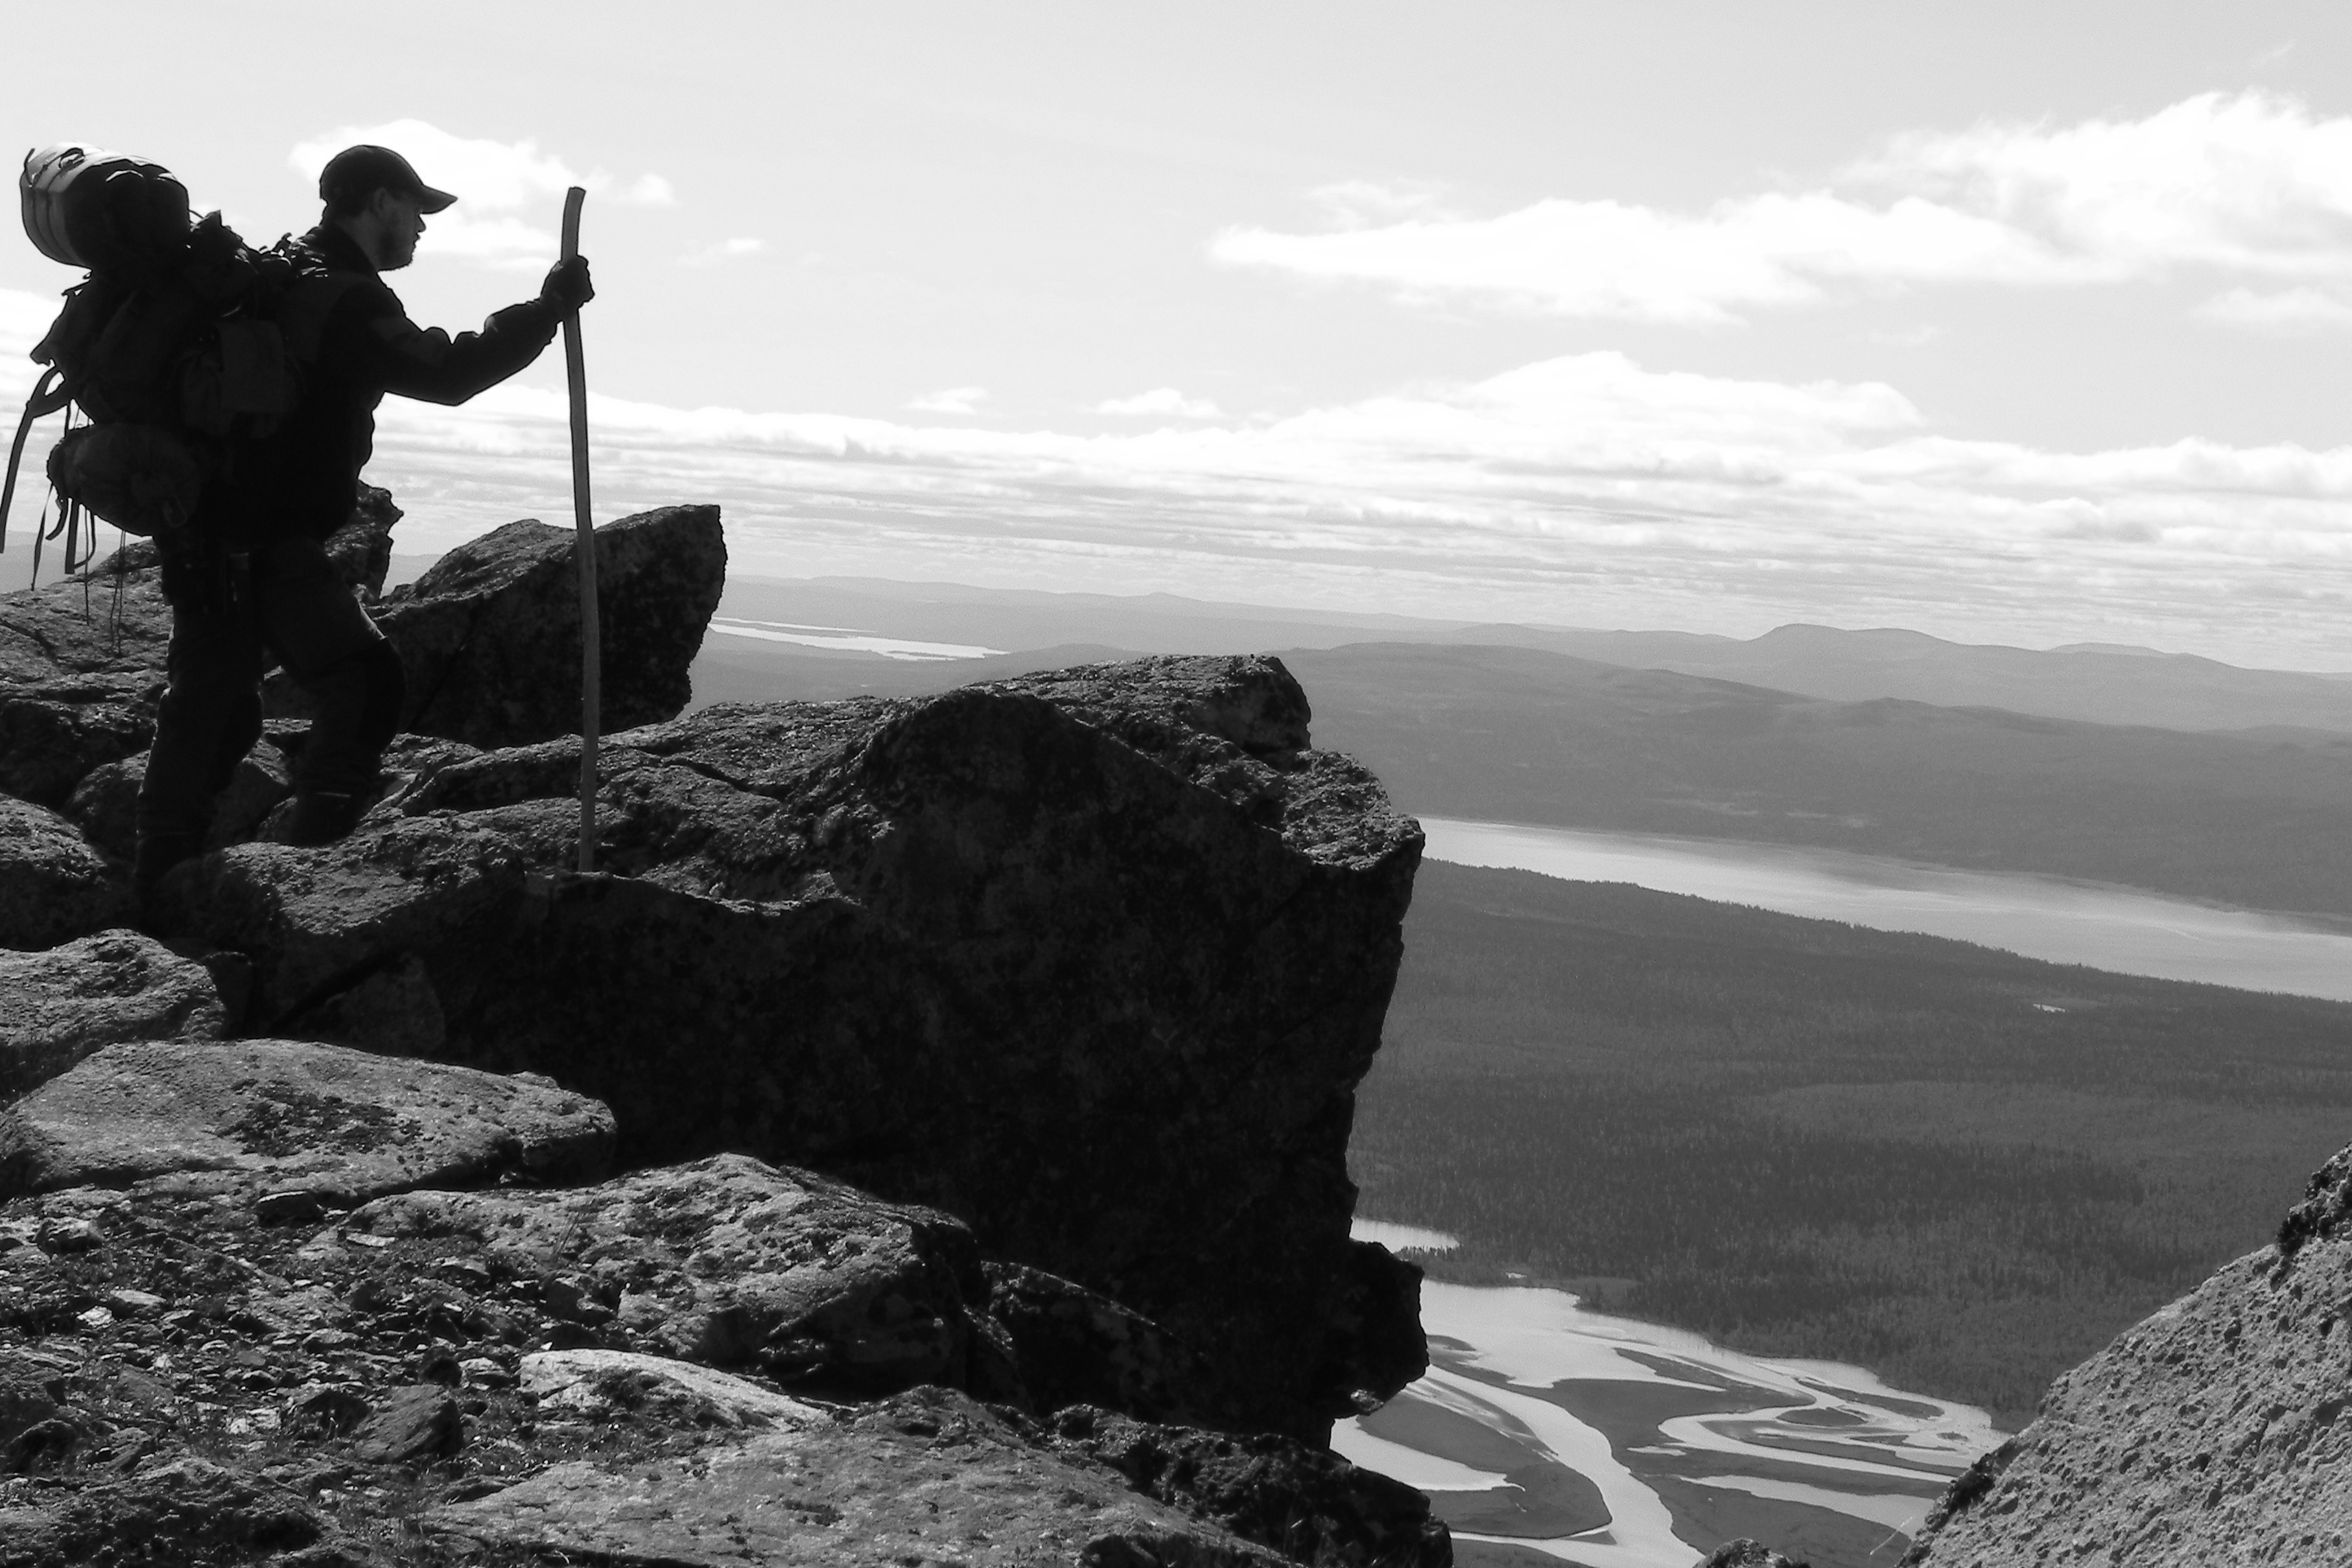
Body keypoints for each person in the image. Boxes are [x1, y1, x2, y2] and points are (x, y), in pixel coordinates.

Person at [132, 144, 594, 901]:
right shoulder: (344, 297)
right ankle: (310, 868)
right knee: (363, 680)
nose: (421, 227)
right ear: (378, 201)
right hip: (266, 533)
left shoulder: (278, 270)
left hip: (205, 527)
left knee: (213, 706)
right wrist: (545, 310)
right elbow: (447, 374)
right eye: (415, 209)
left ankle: (161, 873)